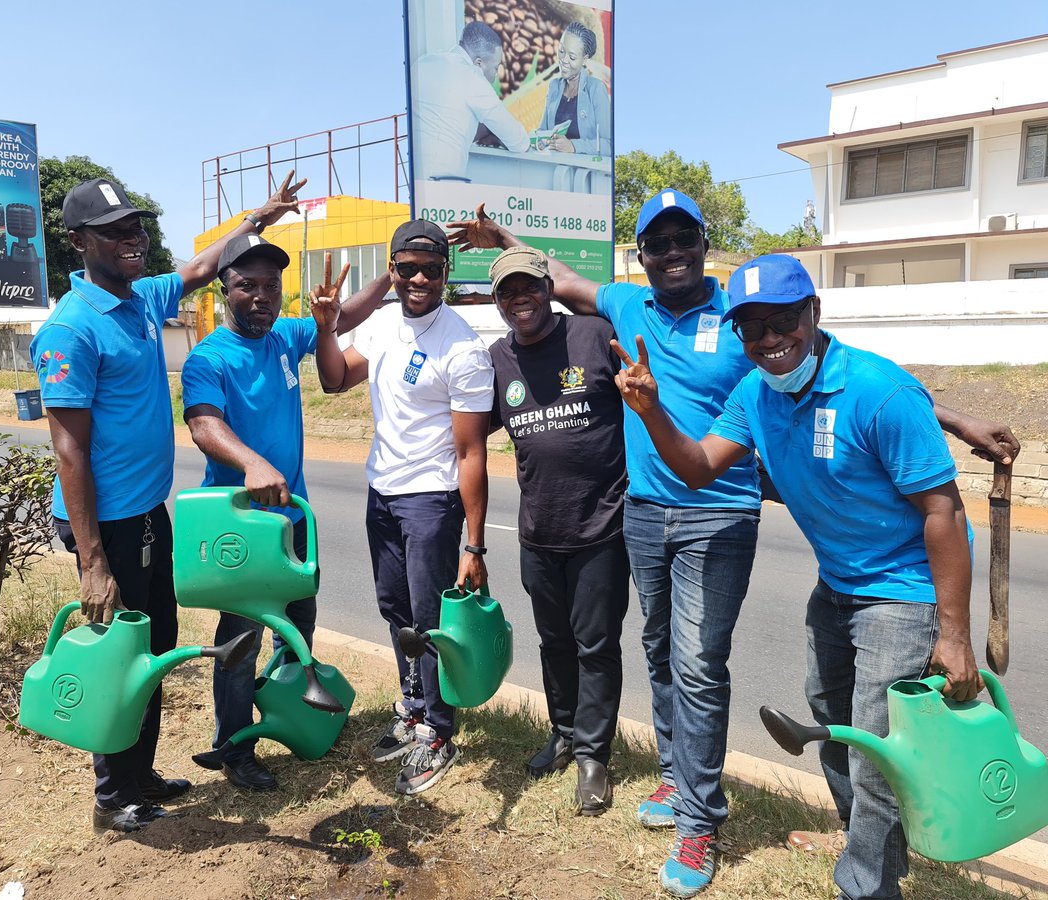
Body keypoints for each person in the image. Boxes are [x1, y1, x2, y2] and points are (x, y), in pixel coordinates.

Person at [446, 194, 1018, 896]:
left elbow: (880, 406)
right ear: (642, 257)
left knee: (704, 667)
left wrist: (957, 424)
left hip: (738, 525)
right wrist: (500, 237)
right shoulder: (662, 327)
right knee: (679, 658)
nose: (673, 251)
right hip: (664, 519)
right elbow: (551, 276)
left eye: (685, 237)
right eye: (658, 244)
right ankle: (690, 780)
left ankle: (722, 824)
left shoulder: (775, 334)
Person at [611, 252, 984, 900]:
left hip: (902, 587)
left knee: (873, 748)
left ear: (814, 313)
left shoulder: (877, 390)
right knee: (830, 720)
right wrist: (650, 412)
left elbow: (943, 511)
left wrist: (953, 633)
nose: (770, 340)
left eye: (783, 320)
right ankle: (865, 839)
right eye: (752, 329)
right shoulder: (755, 394)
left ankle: (866, 885)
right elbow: (699, 466)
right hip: (837, 583)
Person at [30, 172, 305, 834]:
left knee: (155, 643)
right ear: (78, 243)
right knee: (119, 654)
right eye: (115, 232)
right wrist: (92, 560)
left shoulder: (142, 299)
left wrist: (258, 218)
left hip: (147, 509)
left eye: (138, 228)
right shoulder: (72, 329)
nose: (133, 240)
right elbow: (70, 452)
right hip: (107, 524)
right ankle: (111, 791)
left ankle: (140, 771)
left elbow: (206, 264)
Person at [181, 243, 371, 793]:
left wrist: (394, 271)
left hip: (295, 518)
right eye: (248, 286)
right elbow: (203, 425)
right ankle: (234, 746)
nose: (261, 297)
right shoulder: (209, 358)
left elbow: (347, 317)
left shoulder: (288, 336)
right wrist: (252, 462)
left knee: (300, 626)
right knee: (240, 640)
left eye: (270, 286)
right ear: (226, 292)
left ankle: (291, 717)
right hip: (240, 524)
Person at [312, 219, 493, 796]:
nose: (417, 278)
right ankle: (413, 709)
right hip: (381, 491)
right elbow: (335, 379)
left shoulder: (462, 346)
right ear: (391, 269)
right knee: (396, 611)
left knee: (429, 619)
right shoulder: (384, 322)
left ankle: (439, 729)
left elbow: (471, 452)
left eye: (430, 269)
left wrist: (474, 542)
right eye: (406, 267)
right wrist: (324, 328)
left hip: (431, 499)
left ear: (446, 272)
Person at [486, 246, 629, 815]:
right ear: (497, 302)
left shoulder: (593, 336)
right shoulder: (497, 359)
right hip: (538, 531)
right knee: (553, 642)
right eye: (507, 292)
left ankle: (595, 757)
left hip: (602, 526)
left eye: (528, 287)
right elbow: (467, 429)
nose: (520, 298)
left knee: (596, 645)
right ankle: (564, 733)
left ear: (548, 288)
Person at [413, 21, 530, 181]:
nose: (496, 75)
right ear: (479, 63)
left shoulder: (422, 63)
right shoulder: (473, 77)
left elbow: (444, 121)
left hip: (414, 184)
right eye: (495, 68)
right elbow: (520, 142)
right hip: (444, 186)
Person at [537, 21, 611, 156]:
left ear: (584, 60)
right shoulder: (554, 86)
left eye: (572, 57)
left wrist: (572, 146)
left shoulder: (596, 89)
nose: (564, 60)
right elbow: (542, 132)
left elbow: (609, 144)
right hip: (554, 168)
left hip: (582, 173)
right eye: (561, 51)